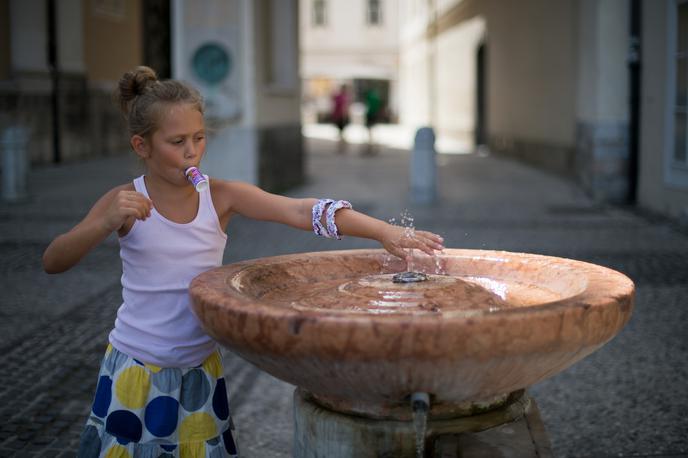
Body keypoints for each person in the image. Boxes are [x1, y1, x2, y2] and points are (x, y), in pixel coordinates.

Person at [42, 66, 445, 458]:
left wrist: (384, 232)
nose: (191, 151)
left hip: (199, 370)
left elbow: (300, 210)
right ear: (141, 146)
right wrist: (105, 223)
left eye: (199, 138)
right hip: (135, 366)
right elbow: (53, 260)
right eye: (177, 141)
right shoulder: (123, 201)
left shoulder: (219, 196)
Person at [330, 84, 350, 151]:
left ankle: (342, 146)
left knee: (341, 132)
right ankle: (342, 146)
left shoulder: (343, 97)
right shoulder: (342, 97)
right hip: (340, 116)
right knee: (341, 132)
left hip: (341, 116)